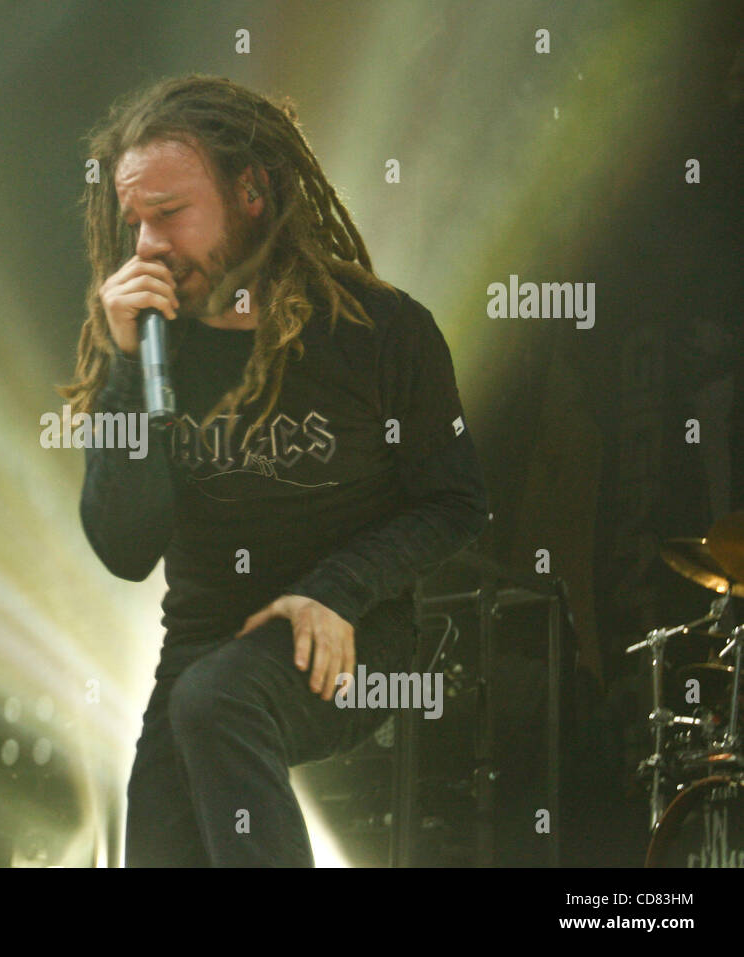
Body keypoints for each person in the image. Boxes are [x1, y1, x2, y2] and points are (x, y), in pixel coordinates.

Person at [62, 75, 490, 866]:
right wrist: (127, 368)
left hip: (359, 632)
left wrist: (337, 589)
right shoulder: (151, 345)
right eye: (134, 222)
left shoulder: (382, 330)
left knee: (220, 698)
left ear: (251, 190)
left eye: (170, 213)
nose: (148, 244)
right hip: (202, 644)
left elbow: (458, 502)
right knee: (164, 819)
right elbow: (126, 548)